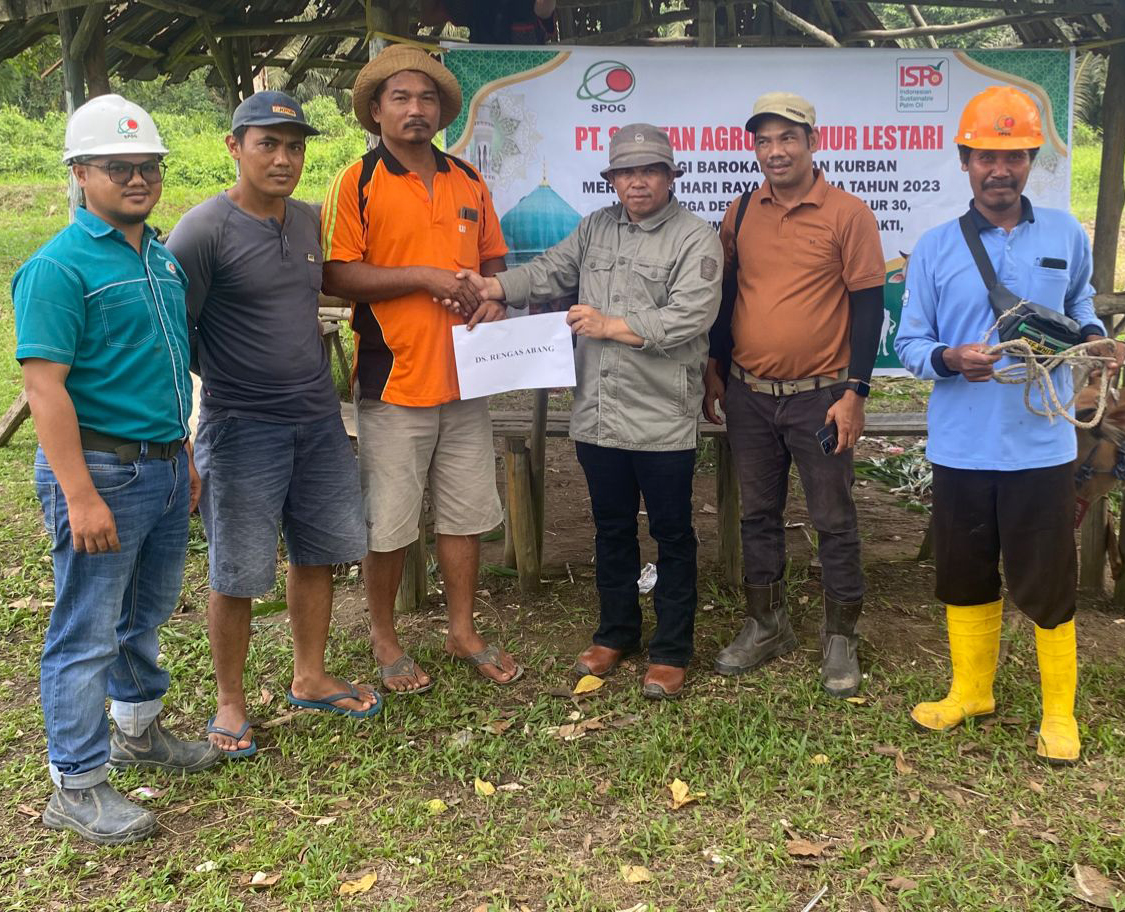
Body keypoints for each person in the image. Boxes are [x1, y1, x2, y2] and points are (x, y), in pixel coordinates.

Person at [893, 86, 1125, 765]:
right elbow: (911, 343)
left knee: (1048, 579)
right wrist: (950, 359)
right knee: (963, 574)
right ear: (964, 161)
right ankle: (971, 691)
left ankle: (1060, 713)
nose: (1001, 171)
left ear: (1031, 162)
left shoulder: (1064, 235)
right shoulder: (936, 249)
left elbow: (1080, 303)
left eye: (1015, 157)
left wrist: (1093, 339)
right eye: (987, 157)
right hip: (963, 446)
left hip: (1040, 445)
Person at [13, 95, 220, 845]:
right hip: (102, 472)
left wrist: (186, 454)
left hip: (163, 467)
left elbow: (167, 369)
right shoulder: (57, 268)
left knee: (147, 612)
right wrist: (79, 494)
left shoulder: (157, 256)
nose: (139, 178)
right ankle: (76, 783)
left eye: (150, 167)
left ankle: (138, 730)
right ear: (80, 173)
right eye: (119, 167)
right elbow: (45, 389)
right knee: (86, 630)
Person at [460, 124, 722, 699]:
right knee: (611, 528)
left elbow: (690, 317)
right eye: (626, 172)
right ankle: (616, 631)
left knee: (673, 533)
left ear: (669, 176)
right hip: (599, 413)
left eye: (649, 171)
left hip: (661, 416)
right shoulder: (596, 228)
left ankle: (673, 648)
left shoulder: (695, 238)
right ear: (613, 179)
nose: (637, 182)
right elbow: (548, 270)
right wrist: (494, 288)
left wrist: (612, 326)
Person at [167, 91, 381, 758]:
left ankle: (309, 674)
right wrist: (194, 430)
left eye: (294, 146)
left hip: (316, 419)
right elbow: (178, 336)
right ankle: (230, 700)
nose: (283, 158)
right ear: (235, 147)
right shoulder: (202, 232)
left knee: (318, 548)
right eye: (268, 144)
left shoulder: (309, 222)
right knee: (237, 570)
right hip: (241, 425)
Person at [321, 44, 521, 692]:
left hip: (467, 378)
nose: (415, 109)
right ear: (376, 110)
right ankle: (384, 636)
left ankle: (462, 629)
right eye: (400, 98)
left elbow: (493, 264)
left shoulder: (468, 180)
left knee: (465, 514)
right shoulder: (358, 182)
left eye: (426, 98)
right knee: (392, 521)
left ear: (441, 111)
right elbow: (337, 272)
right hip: (395, 380)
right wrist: (421, 276)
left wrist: (492, 298)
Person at [702, 92, 886, 698]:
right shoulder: (741, 212)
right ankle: (767, 621)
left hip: (822, 396)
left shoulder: (847, 213)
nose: (775, 151)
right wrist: (716, 368)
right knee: (757, 514)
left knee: (833, 517)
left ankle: (841, 635)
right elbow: (728, 298)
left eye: (788, 138)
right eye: (764, 140)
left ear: (813, 140)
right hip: (751, 393)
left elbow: (867, 307)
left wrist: (855, 391)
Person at [424, 0, 558, 44]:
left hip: (531, 77)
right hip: (486, 81)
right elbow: (429, 17)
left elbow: (544, 10)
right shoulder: (470, 4)